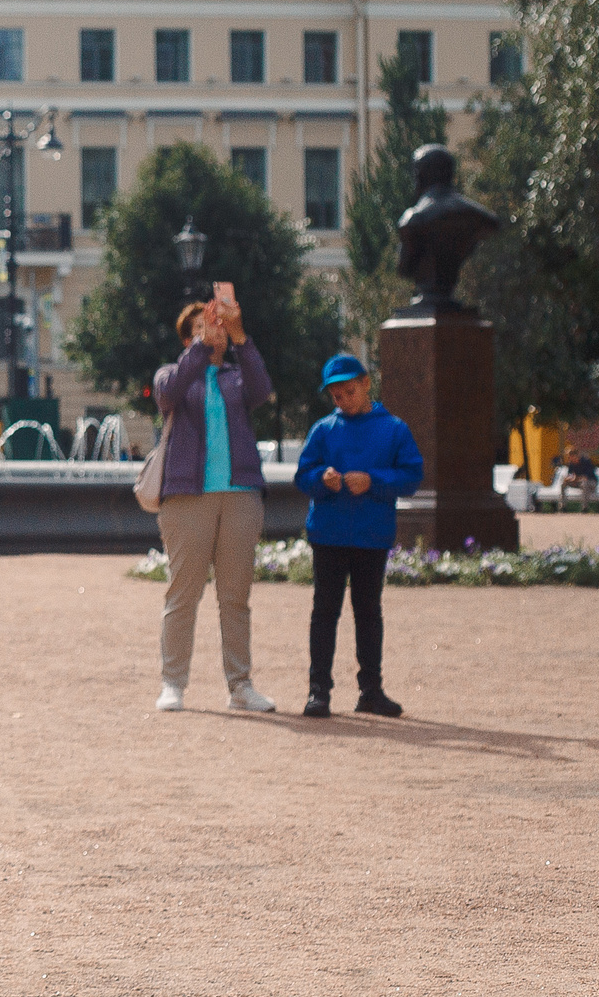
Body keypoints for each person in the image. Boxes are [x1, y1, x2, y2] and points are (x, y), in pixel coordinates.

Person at [151, 293, 277, 714]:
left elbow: (263, 391)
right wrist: (201, 349)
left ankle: (240, 685)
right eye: (202, 329)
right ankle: (173, 683)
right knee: (183, 594)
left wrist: (241, 336)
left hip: (240, 494)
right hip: (187, 496)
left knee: (235, 596)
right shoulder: (173, 374)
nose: (213, 334)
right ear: (188, 339)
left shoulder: (238, 377)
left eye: (216, 327)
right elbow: (169, 395)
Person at [296, 353, 422, 719]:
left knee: (368, 613)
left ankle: (371, 690)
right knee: (325, 613)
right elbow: (302, 475)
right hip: (329, 535)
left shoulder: (395, 428)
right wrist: (321, 479)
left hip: (371, 535)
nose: (344, 401)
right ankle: (318, 692)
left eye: (349, 392)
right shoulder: (323, 430)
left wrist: (374, 481)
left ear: (366, 383)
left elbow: (412, 476)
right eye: (336, 396)